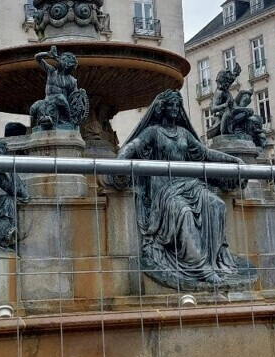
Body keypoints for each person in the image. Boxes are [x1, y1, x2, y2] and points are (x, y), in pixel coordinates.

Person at [109, 89, 256, 289]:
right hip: (164, 191)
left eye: (178, 106)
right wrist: (119, 162)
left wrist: (233, 159)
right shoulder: (153, 132)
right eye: (172, 106)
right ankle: (201, 266)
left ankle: (216, 258)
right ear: (162, 108)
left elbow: (206, 153)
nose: (176, 110)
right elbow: (132, 147)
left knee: (217, 205)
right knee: (185, 212)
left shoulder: (184, 134)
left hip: (188, 185)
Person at [28, 45, 88, 129]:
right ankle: (39, 122)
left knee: (61, 97)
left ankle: (68, 120)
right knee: (33, 108)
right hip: (47, 102)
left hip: (62, 108)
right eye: (60, 58)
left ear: (69, 65)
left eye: (63, 59)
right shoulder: (51, 72)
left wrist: (80, 97)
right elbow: (37, 57)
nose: (59, 60)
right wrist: (48, 54)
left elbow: (74, 98)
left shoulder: (72, 80)